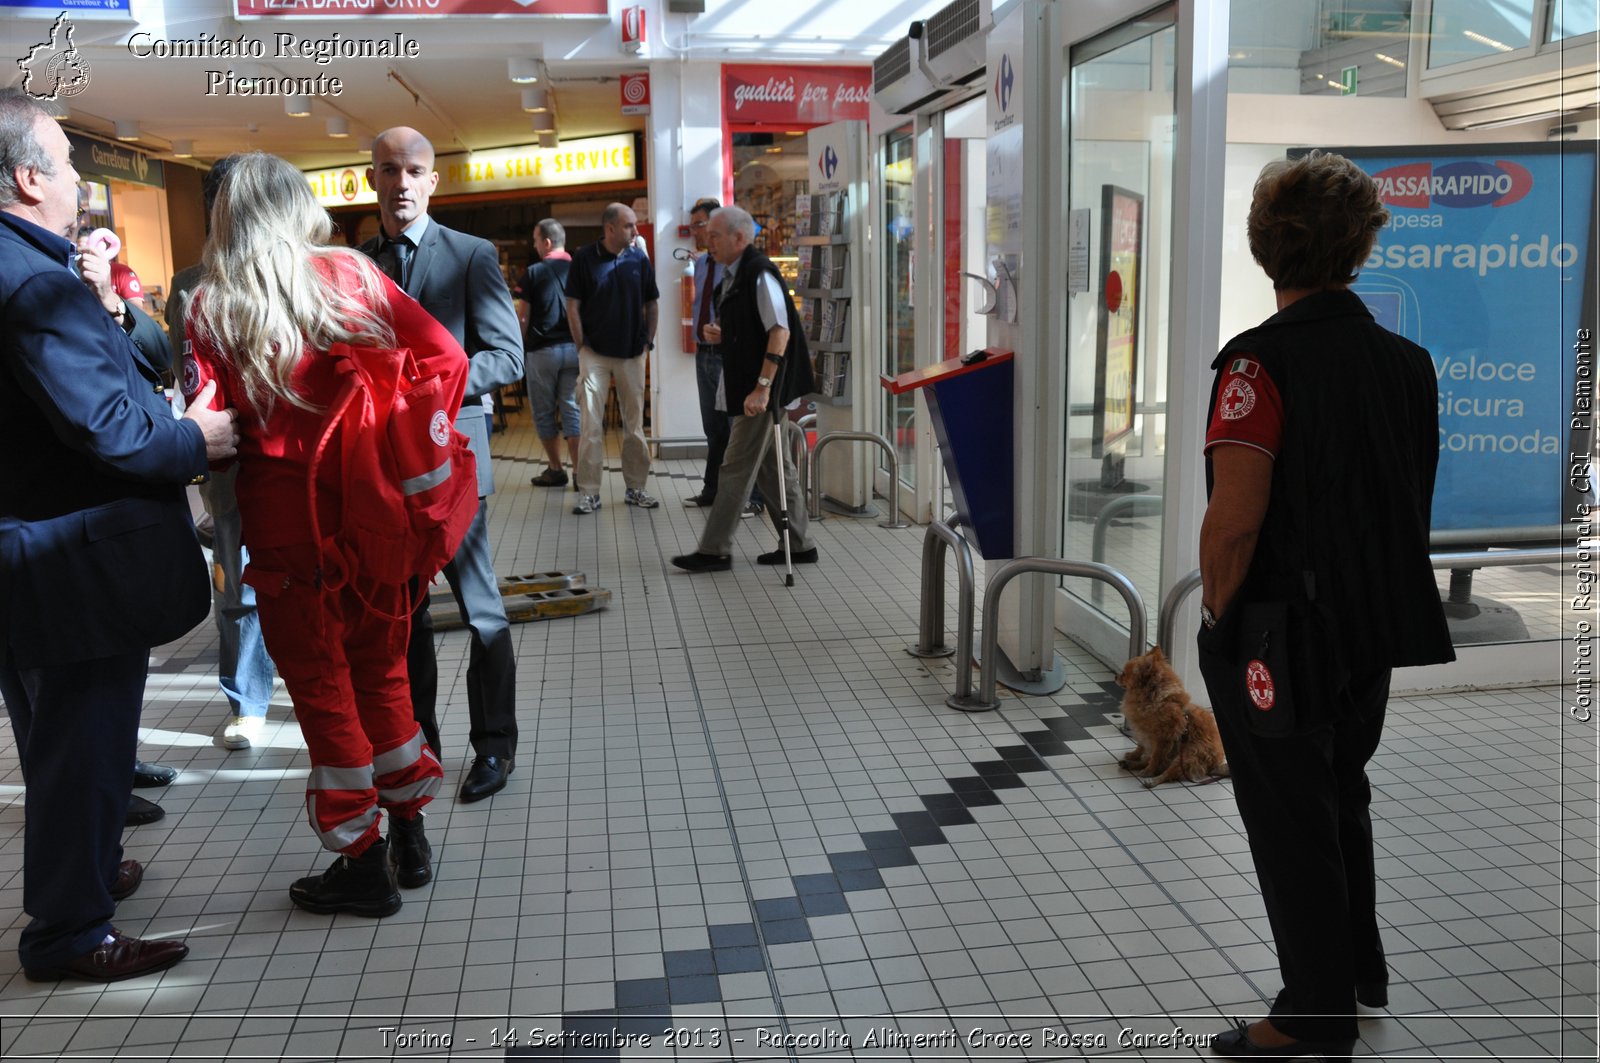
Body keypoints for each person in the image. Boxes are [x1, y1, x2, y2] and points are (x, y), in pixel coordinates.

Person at [1196, 151, 1454, 1061]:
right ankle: (1355, 971)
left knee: (1288, 815)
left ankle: (1311, 1010)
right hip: (1372, 620)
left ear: (1268, 248)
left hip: (1281, 629)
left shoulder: (1257, 366)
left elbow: (1234, 522)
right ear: (1359, 247)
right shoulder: (1408, 362)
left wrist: (1219, 624)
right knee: (1342, 790)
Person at [184, 151, 463, 915]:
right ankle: (411, 834)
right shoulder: (355, 276)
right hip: (372, 519)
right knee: (383, 675)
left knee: (323, 693)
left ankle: (363, 861)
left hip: (283, 536)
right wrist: (402, 434)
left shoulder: (212, 305)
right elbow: (447, 356)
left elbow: (208, 427)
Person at [0, 89, 238, 981]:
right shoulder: (32, 282)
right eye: (66, 165)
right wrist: (198, 439)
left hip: (29, 556)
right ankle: (69, 931)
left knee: (56, 740)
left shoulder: (36, 271)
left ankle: (88, 869)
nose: (78, 185)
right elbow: (112, 429)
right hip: (71, 564)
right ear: (30, 177)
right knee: (83, 743)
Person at [360, 126, 524, 803]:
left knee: (481, 607)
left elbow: (505, 357)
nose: (402, 181)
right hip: (382, 468)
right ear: (371, 178)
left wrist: (425, 385)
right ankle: (417, 743)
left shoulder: (471, 255)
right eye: (390, 169)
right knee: (404, 616)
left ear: (433, 182)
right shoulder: (357, 264)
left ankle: (494, 746)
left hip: (454, 457)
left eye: (415, 170)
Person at [169, 154, 278, 752]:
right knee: (235, 587)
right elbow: (183, 373)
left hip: (291, 457)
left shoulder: (288, 270)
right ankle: (247, 698)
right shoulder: (189, 285)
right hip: (228, 463)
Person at [671, 206, 817, 574]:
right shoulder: (733, 275)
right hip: (751, 388)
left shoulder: (759, 273)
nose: (707, 240)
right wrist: (725, 333)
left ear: (739, 238)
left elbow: (779, 331)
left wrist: (763, 388)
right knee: (774, 469)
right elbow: (753, 326)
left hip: (760, 393)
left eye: (715, 235)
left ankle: (714, 549)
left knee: (734, 468)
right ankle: (800, 545)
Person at [565, 202, 660, 515]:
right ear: (610, 228)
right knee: (592, 425)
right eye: (629, 225)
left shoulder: (639, 259)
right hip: (594, 354)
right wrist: (582, 347)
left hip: (633, 353)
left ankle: (636, 488)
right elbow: (573, 306)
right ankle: (589, 492)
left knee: (634, 426)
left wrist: (648, 341)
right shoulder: (584, 258)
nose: (635, 231)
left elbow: (652, 303)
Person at [685, 197, 761, 518]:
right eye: (696, 228)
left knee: (739, 430)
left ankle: (751, 497)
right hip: (704, 354)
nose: (698, 234)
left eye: (701, 227)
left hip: (730, 355)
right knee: (714, 428)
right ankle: (712, 489)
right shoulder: (701, 265)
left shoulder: (744, 269)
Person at [518, 218, 579, 488]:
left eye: (535, 240)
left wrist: (518, 350)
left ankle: (556, 469)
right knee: (571, 408)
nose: (534, 246)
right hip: (575, 350)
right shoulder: (580, 269)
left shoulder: (532, 273)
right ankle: (579, 472)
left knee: (543, 412)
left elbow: (523, 318)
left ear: (547, 242)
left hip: (542, 352)